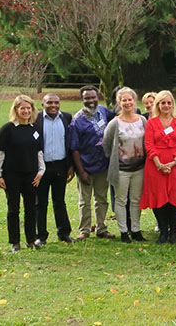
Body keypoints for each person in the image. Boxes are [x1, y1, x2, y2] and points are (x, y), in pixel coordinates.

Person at [0, 95, 45, 252]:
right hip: (12, 175)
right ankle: (15, 242)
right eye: (22, 108)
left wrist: (41, 171)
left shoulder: (35, 129)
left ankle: (31, 240)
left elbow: (39, 152)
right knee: (13, 209)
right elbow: (0, 154)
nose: (26, 111)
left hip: (31, 175)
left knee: (31, 208)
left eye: (28, 108)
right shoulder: (8, 129)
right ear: (16, 110)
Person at [140, 90, 176, 244]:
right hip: (155, 165)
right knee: (159, 198)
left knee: (173, 198)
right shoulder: (152, 122)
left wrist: (173, 162)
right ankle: (163, 230)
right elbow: (149, 144)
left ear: (172, 104)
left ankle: (173, 231)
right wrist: (159, 164)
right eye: (163, 103)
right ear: (158, 105)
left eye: (169, 102)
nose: (166, 105)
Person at [69, 85, 114, 241]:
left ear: (98, 97)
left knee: (101, 198)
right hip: (86, 166)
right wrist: (80, 171)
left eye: (93, 97)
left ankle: (101, 228)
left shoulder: (103, 111)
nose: (91, 100)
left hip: (103, 164)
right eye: (87, 98)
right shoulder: (77, 120)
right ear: (82, 100)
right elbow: (74, 148)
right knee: (85, 201)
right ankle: (85, 230)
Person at [103, 87, 147, 243]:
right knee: (121, 200)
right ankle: (123, 231)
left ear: (134, 101)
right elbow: (106, 144)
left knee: (136, 200)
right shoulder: (115, 123)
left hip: (139, 168)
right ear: (119, 102)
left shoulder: (142, 120)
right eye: (124, 100)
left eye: (130, 99)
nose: (127, 103)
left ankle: (135, 230)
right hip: (121, 169)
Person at [34, 93, 74, 245]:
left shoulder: (66, 118)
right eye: (49, 102)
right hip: (42, 167)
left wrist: (71, 166)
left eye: (56, 102)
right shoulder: (36, 119)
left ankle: (64, 233)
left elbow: (70, 143)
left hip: (61, 165)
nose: (53, 105)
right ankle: (40, 236)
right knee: (40, 202)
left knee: (59, 201)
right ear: (42, 104)